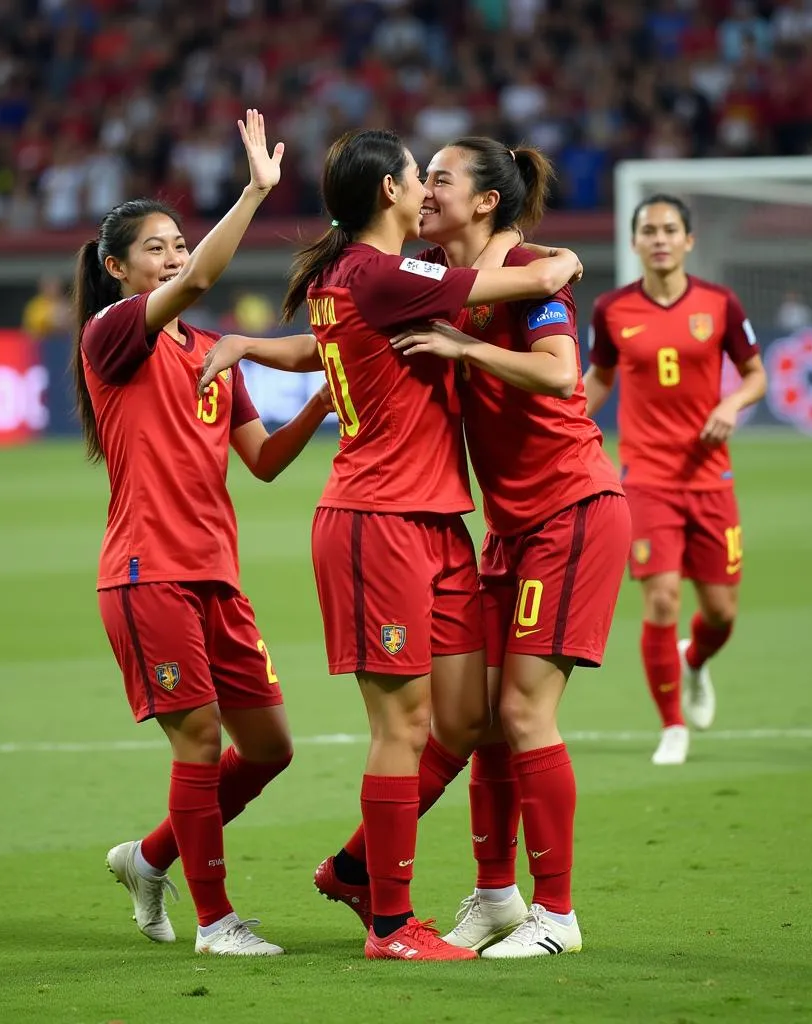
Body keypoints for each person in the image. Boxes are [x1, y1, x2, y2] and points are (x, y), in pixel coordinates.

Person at [199, 127, 582, 961]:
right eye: (419, 176)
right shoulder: (385, 271)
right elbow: (508, 279)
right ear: (389, 194)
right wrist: (554, 268)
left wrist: (242, 343)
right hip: (379, 523)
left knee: (469, 719)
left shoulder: (361, 276)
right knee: (403, 728)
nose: (426, 188)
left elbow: (324, 344)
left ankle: (368, 873)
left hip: (438, 524)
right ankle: (390, 925)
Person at [72, 111, 333, 957]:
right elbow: (187, 289)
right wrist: (257, 191)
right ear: (118, 269)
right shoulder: (112, 336)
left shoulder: (215, 352)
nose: (177, 254)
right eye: (158, 246)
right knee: (199, 738)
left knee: (269, 748)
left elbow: (260, 462)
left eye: (181, 240)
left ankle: (148, 857)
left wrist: (324, 407)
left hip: (216, 574)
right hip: (147, 573)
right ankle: (217, 922)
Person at [378, 137, 629, 958]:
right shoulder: (447, 277)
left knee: (525, 713)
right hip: (510, 528)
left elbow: (561, 373)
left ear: (486, 201)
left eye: (440, 179)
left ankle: (558, 917)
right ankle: (495, 896)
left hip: (572, 507)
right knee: (485, 719)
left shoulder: (527, 269)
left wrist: (465, 348)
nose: (425, 192)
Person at [584, 193, 767, 766]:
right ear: (634, 241)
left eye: (669, 230)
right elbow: (600, 379)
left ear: (688, 241)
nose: (659, 239)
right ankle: (672, 726)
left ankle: (694, 661)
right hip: (646, 478)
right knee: (660, 600)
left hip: (711, 478)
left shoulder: (720, 304)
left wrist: (733, 404)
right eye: (648, 230)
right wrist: (563, 421)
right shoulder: (611, 310)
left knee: (722, 613)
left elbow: (756, 375)